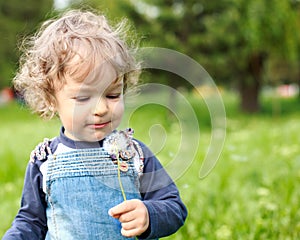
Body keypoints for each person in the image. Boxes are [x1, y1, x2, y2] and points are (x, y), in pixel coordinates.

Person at [3, 9, 187, 240]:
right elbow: (31, 222)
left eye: (112, 95)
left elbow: (174, 206)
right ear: (51, 99)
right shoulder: (45, 160)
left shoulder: (134, 155)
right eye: (82, 98)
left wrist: (149, 214)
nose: (101, 109)